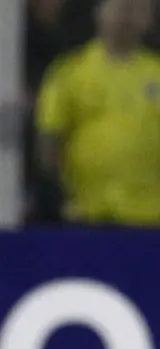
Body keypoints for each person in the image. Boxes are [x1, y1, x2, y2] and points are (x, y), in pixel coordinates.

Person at [36, 0, 160, 226]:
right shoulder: (69, 72)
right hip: (89, 215)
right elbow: (50, 141)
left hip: (151, 217)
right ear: (99, 12)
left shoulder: (157, 73)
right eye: (120, 8)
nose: (127, 17)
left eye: (137, 10)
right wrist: (60, 200)